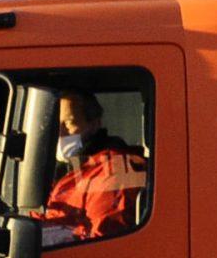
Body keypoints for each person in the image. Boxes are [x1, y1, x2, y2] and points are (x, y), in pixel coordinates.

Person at [40, 89, 149, 244]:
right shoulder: (72, 170)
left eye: (69, 123)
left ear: (94, 124)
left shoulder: (114, 172)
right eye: (56, 125)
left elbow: (103, 240)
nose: (60, 133)